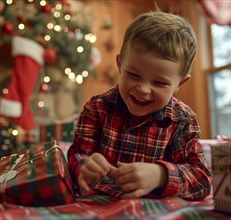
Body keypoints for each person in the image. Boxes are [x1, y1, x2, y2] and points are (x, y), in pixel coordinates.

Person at [67, 11, 212, 201]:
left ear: (179, 84)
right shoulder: (97, 107)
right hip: (100, 201)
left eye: (159, 83)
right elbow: (76, 156)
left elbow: (202, 180)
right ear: (120, 64)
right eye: (133, 75)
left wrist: (161, 175)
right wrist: (84, 166)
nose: (143, 90)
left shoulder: (182, 120)